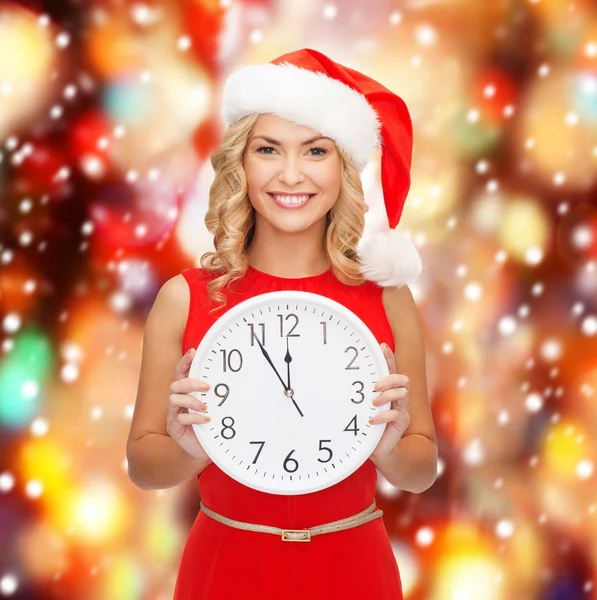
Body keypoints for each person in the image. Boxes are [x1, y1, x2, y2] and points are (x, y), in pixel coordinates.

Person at [126, 48, 438, 600]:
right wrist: (192, 448)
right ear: (240, 163)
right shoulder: (184, 299)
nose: (291, 174)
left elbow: (421, 469)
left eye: (315, 151)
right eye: (268, 149)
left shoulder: (388, 299)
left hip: (353, 567)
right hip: (227, 565)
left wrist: (390, 447)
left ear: (343, 168)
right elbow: (144, 467)